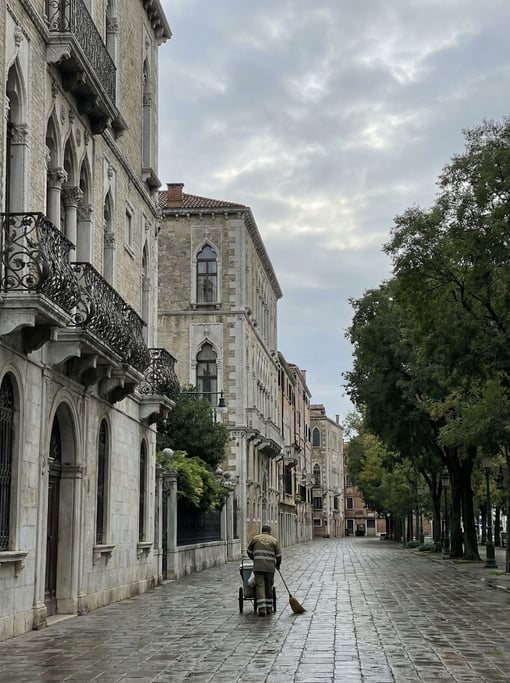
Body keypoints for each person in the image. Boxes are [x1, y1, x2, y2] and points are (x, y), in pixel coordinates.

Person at [247, 525, 282, 616]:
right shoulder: (274, 541)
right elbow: (279, 556)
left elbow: (249, 551)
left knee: (260, 586)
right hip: (270, 568)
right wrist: (277, 565)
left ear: (262, 531)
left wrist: (254, 558)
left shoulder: (255, 539)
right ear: (270, 532)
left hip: (258, 567)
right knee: (268, 586)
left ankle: (262, 608)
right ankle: (269, 607)